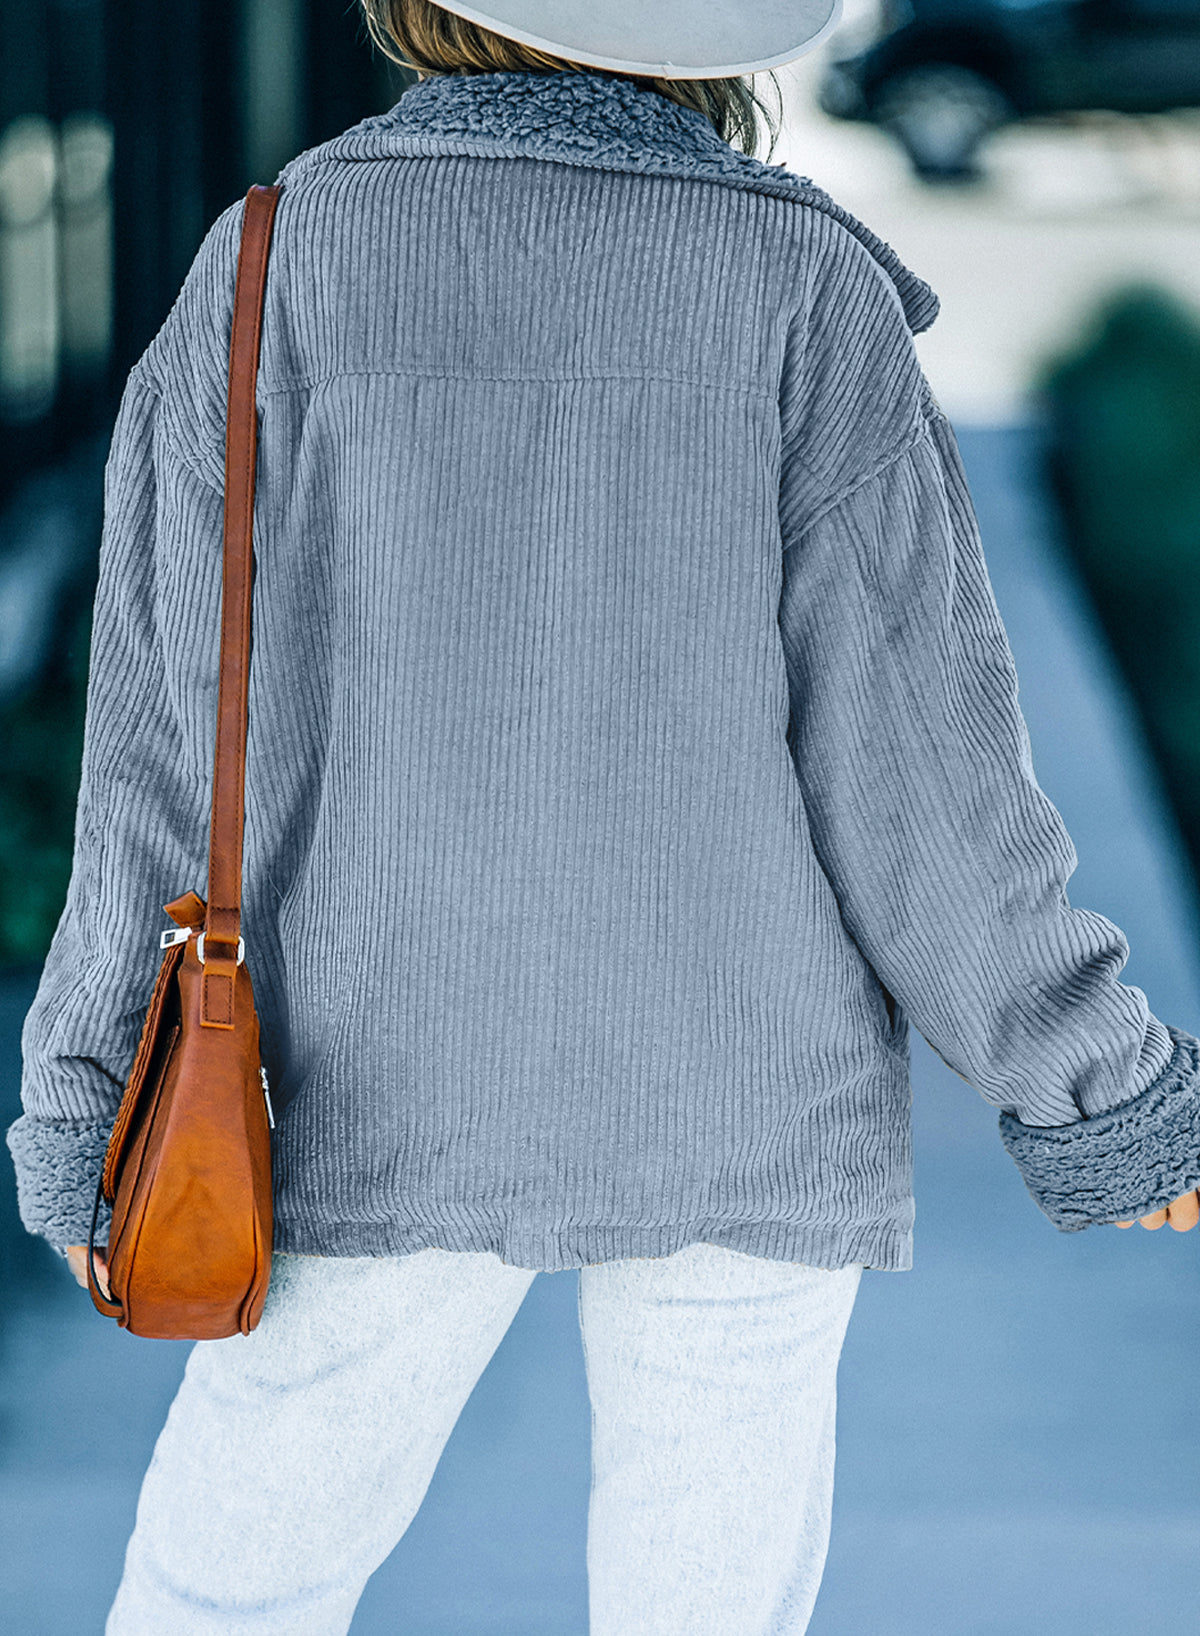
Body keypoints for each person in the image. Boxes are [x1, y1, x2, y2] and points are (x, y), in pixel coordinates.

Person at [8, 1, 1200, 1631]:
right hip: (745, 1083)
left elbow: (159, 728)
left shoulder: (274, 262)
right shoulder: (801, 283)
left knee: (229, 1592)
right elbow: (925, 766)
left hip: (362, 1075)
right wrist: (1101, 1088)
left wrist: (91, 1111)